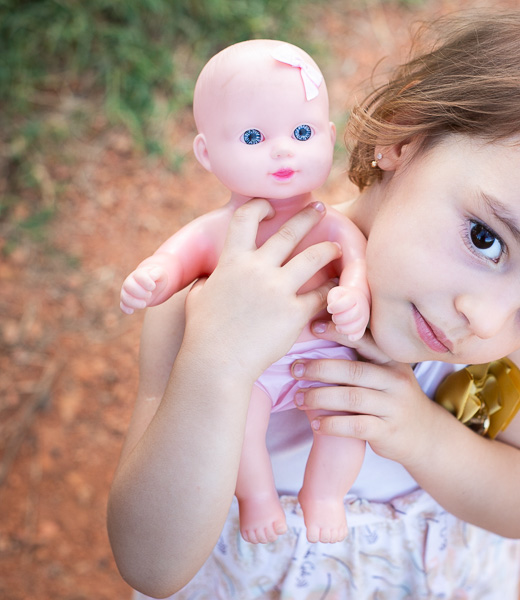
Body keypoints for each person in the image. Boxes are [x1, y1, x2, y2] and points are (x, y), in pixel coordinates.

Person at [107, 9, 520, 599]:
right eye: (486, 240)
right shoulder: (210, 302)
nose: (481, 321)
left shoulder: (479, 366)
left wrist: (423, 434)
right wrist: (217, 363)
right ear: (404, 138)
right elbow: (152, 564)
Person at [117, 39, 372, 545]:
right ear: (206, 153)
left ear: (328, 137)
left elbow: (356, 266)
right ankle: (255, 497)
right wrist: (156, 275)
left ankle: (323, 494)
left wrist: (354, 296)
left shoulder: (330, 225)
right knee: (239, 431)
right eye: (254, 136)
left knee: (346, 423)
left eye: (301, 133)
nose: (282, 151)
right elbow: (180, 257)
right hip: (250, 366)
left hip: (323, 355)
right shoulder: (221, 229)